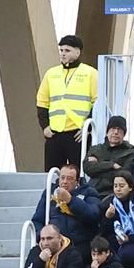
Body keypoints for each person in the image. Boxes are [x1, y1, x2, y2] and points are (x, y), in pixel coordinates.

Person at [35, 34, 98, 171]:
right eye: (61, 50)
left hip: (78, 134)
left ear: (78, 52)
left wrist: (87, 128)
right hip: (55, 133)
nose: (63, 54)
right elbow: (42, 101)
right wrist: (44, 126)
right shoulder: (51, 73)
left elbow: (97, 102)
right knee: (52, 174)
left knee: (79, 173)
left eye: (67, 50)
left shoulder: (90, 73)